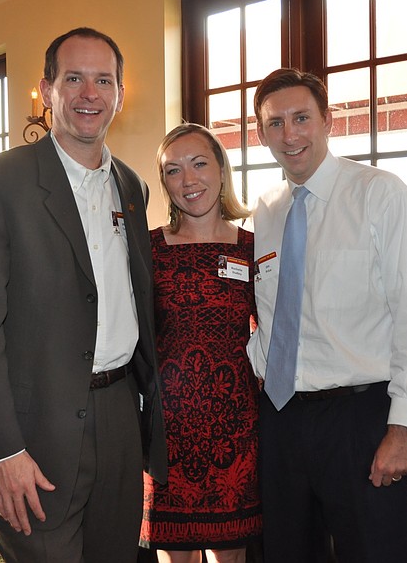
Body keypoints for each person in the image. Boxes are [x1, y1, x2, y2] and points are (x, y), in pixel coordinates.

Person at [0, 27, 167, 563]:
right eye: (74, 79)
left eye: (103, 80)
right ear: (46, 90)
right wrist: (2, 452)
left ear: (120, 94)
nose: (90, 93)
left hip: (119, 418)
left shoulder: (131, 187)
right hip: (32, 431)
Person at [247, 68, 407, 562]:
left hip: (359, 420)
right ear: (260, 133)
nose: (289, 135)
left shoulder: (381, 195)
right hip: (281, 417)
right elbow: (270, 317)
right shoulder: (266, 211)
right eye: (276, 123)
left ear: (328, 120)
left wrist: (403, 428)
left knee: (376, 552)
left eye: (301, 118)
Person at [140, 124, 261, 563]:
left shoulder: (253, 247)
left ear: (222, 171)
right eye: (173, 170)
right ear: (164, 183)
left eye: (198, 164)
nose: (188, 181)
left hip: (235, 424)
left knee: (231, 553)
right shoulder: (148, 249)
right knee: (175, 555)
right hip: (168, 427)